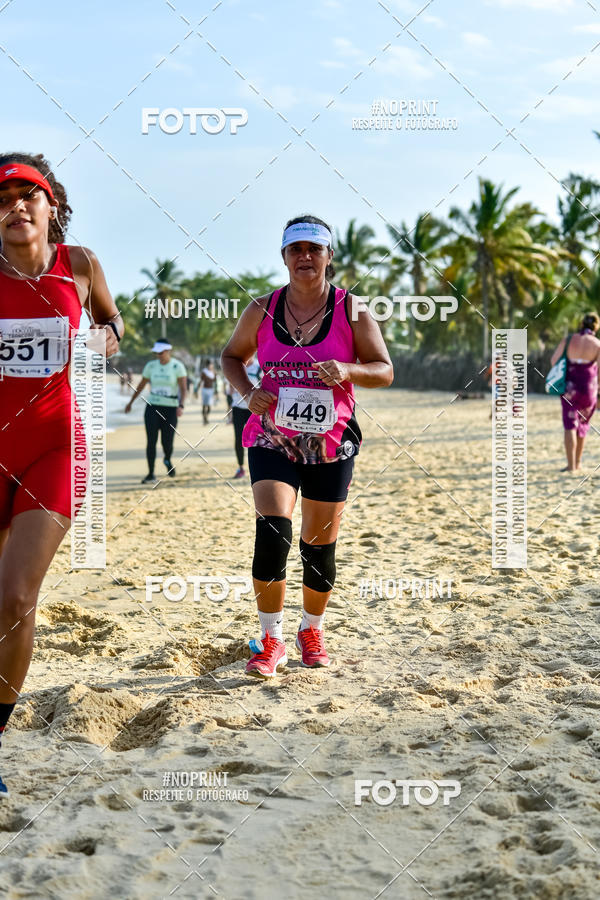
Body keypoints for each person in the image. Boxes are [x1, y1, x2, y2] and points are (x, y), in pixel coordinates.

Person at [222, 214, 393, 678]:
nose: (305, 257)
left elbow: (384, 369)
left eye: (314, 249)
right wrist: (247, 391)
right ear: (283, 257)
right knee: (272, 532)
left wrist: (349, 370)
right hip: (272, 436)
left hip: (331, 442)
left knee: (319, 548)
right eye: (295, 249)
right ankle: (269, 638)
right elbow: (231, 356)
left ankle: (310, 629)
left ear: (329, 257)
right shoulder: (261, 308)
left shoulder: (352, 310)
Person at [0, 152, 122, 795]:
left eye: (29, 196)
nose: (16, 208)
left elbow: (111, 320)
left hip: (57, 449)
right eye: (2, 200)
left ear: (52, 206)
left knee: (16, 597)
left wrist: (106, 337)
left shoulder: (80, 265)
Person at [124, 339, 186, 482]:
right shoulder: (151, 366)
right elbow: (141, 385)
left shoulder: (177, 366)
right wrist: (130, 402)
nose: (158, 355)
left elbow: (183, 389)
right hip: (152, 407)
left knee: (167, 442)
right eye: (156, 352)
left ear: (168, 351)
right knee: (151, 441)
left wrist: (181, 405)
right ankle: (151, 473)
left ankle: (167, 459)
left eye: (161, 352)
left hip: (170, 409)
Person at [551, 312, 600, 472]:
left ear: (581, 324)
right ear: (596, 327)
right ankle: (578, 463)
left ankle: (571, 466)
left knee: (569, 425)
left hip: (570, 388)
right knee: (583, 425)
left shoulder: (569, 340)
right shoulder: (597, 344)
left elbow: (554, 361)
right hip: (589, 388)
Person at [230, 356, 261, 479]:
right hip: (237, 408)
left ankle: (257, 468)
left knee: (255, 440)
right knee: (238, 438)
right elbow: (230, 389)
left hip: (253, 409)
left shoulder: (259, 367)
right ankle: (241, 467)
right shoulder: (235, 366)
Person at [200, 359, 216, 424]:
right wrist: (196, 390)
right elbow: (201, 380)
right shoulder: (204, 372)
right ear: (207, 365)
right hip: (204, 390)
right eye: (210, 365)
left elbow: (215, 382)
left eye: (211, 365)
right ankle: (204, 418)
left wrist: (216, 391)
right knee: (204, 405)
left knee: (209, 406)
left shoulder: (214, 372)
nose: (211, 366)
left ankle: (206, 417)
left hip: (211, 390)